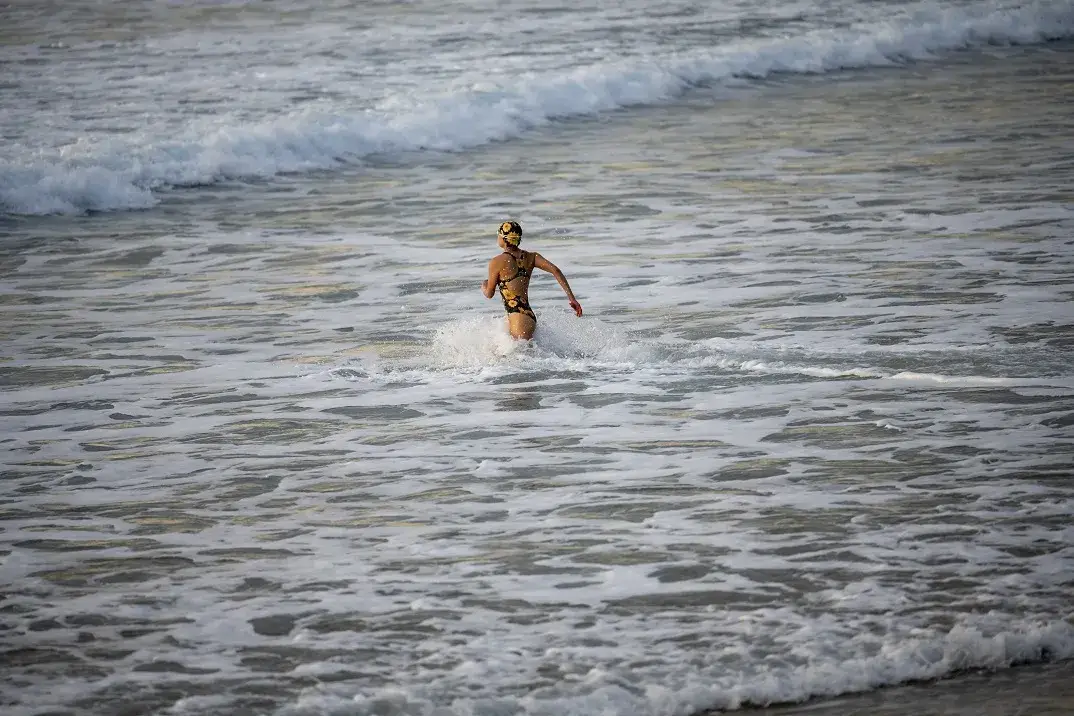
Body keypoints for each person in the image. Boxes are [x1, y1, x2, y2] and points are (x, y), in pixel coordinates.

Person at [481, 220, 583, 340]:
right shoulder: (532, 257)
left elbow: (489, 293)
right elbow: (555, 270)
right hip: (527, 316)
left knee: (518, 356)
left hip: (518, 318)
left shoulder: (497, 261)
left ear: (503, 238)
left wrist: (484, 284)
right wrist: (572, 299)